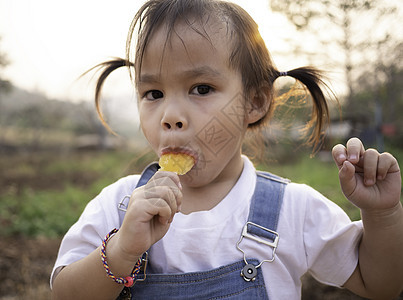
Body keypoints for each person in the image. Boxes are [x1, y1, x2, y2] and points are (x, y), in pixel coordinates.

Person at [51, 0, 403, 299]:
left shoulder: (292, 210)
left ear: (255, 102)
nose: (171, 116)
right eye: (153, 94)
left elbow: (380, 284)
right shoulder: (119, 206)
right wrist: (122, 250)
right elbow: (65, 292)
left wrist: (383, 215)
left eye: (201, 88)